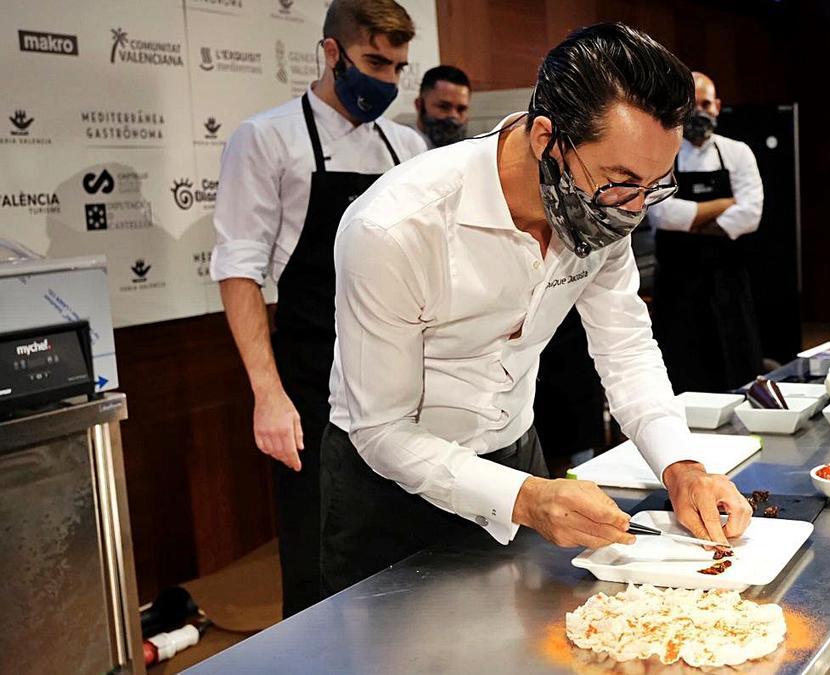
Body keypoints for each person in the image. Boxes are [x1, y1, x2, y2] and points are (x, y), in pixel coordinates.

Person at [319, 22, 752, 595]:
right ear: (546, 138)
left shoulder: (604, 206)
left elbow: (625, 349)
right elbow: (383, 431)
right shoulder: (396, 228)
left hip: (516, 451)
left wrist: (681, 467)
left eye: (652, 186)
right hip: (388, 486)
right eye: (622, 181)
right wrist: (525, 498)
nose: (634, 208)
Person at [209, 0, 426, 617]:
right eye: (373, 62)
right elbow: (238, 269)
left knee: (401, 547)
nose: (385, 81)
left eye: (397, 68)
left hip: (396, 373)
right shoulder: (267, 138)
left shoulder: (404, 145)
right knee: (317, 552)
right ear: (332, 52)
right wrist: (267, 394)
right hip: (309, 373)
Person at [647, 72, 764, 394]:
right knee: (683, 375)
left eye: (706, 103)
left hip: (728, 284)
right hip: (677, 287)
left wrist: (691, 219)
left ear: (717, 107)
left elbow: (751, 215)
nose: (699, 110)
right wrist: (726, 203)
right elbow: (661, 214)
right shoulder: (661, 155)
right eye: (692, 104)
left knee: (737, 373)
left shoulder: (738, 152)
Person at [412, 65, 471, 148]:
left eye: (461, 109)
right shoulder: (403, 151)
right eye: (444, 107)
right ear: (419, 105)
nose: (454, 115)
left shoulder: (471, 152)